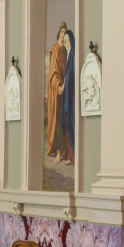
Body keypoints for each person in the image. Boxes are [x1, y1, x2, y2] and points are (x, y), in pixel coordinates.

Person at [46, 23, 69, 163]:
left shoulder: (64, 50)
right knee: (58, 120)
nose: (63, 34)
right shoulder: (55, 49)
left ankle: (65, 151)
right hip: (56, 90)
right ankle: (59, 153)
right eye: (61, 31)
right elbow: (54, 71)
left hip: (63, 89)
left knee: (64, 119)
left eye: (65, 32)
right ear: (58, 33)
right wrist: (59, 85)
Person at [61, 29, 76, 166]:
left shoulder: (74, 55)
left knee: (72, 124)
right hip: (67, 96)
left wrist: (66, 85)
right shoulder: (68, 55)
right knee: (67, 125)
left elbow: (72, 76)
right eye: (64, 41)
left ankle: (73, 156)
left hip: (72, 98)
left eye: (67, 41)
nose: (65, 43)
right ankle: (69, 156)